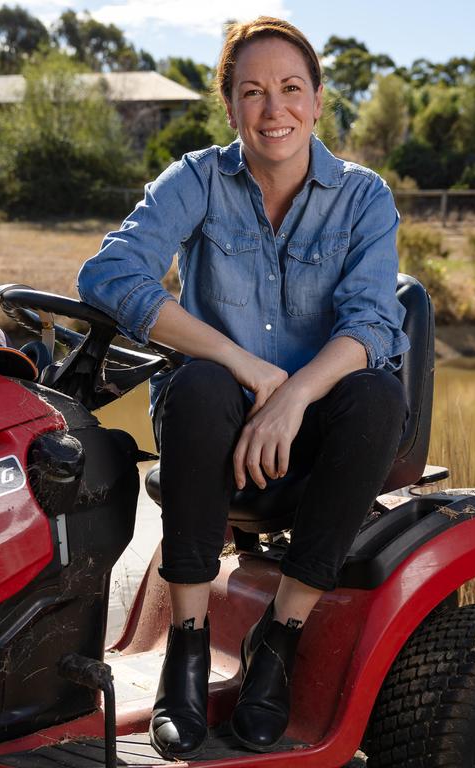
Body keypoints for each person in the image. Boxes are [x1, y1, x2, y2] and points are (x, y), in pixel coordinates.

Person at [77, 16, 409, 759]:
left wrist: (290, 395)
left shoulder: (363, 198)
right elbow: (107, 275)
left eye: (291, 89)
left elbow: (374, 327)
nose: (273, 110)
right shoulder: (196, 179)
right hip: (216, 419)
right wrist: (247, 366)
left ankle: (279, 640)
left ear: (319, 100)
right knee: (196, 386)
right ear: (229, 107)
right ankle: (186, 650)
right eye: (252, 92)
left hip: (319, 423)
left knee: (378, 395)